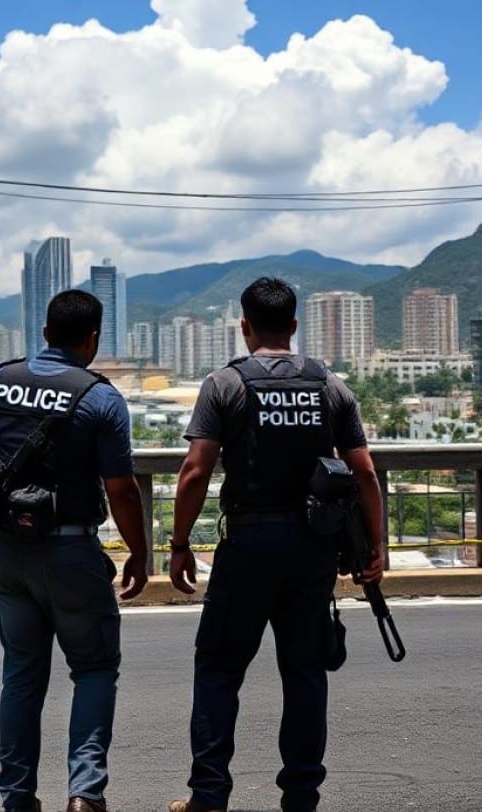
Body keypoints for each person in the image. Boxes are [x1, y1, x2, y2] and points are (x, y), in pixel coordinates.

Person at [166, 276, 384, 812]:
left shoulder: (225, 384)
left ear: (244, 326)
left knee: (219, 669)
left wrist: (180, 543)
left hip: (248, 542)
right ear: (294, 325)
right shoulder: (330, 385)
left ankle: (209, 796)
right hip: (313, 546)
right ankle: (302, 797)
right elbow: (364, 472)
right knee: (305, 672)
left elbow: (195, 471)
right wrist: (375, 547)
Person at [0, 289, 149, 812]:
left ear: (45, 333)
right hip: (70, 551)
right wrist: (139, 553)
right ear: (93, 340)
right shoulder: (100, 398)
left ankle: (17, 798)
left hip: (7, 550)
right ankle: (85, 795)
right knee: (93, 670)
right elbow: (121, 489)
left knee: (21, 676)